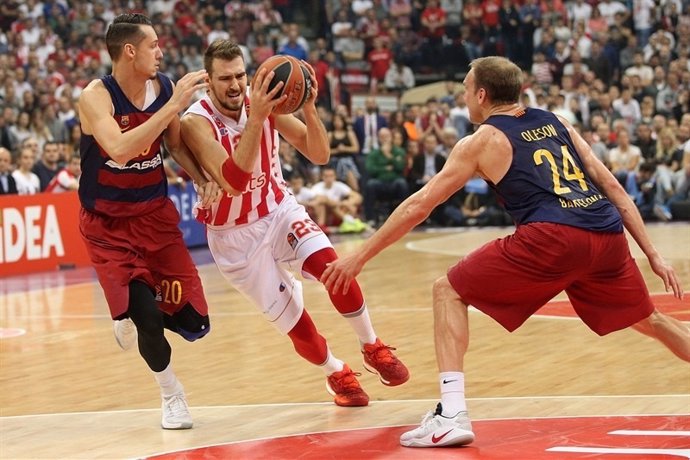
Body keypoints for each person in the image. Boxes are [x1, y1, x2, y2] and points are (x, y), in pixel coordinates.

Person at [322, 56, 689, 447]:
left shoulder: (482, 140)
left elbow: (419, 206)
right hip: (605, 233)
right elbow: (613, 187)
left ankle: (451, 412)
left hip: (553, 236)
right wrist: (652, 253)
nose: (464, 97)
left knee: (448, 290)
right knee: (651, 320)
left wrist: (359, 256)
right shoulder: (556, 122)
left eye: (465, 88)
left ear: (482, 94)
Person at [180, 39, 409, 407]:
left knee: (335, 269)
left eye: (240, 75)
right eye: (225, 79)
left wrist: (310, 108)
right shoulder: (196, 122)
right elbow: (235, 181)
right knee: (299, 328)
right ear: (209, 81)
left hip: (279, 210)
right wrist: (257, 119)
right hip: (236, 239)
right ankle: (336, 373)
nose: (236, 85)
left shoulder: (264, 103)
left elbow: (318, 154)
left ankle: (372, 345)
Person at [77, 13, 219, 430]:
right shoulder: (95, 97)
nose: (161, 51)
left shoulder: (164, 88)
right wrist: (173, 106)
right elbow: (119, 149)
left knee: (195, 322)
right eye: (153, 44)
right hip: (107, 225)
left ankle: (125, 308)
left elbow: (173, 142)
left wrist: (200, 179)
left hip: (154, 218)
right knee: (149, 318)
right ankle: (171, 393)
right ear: (130, 51)